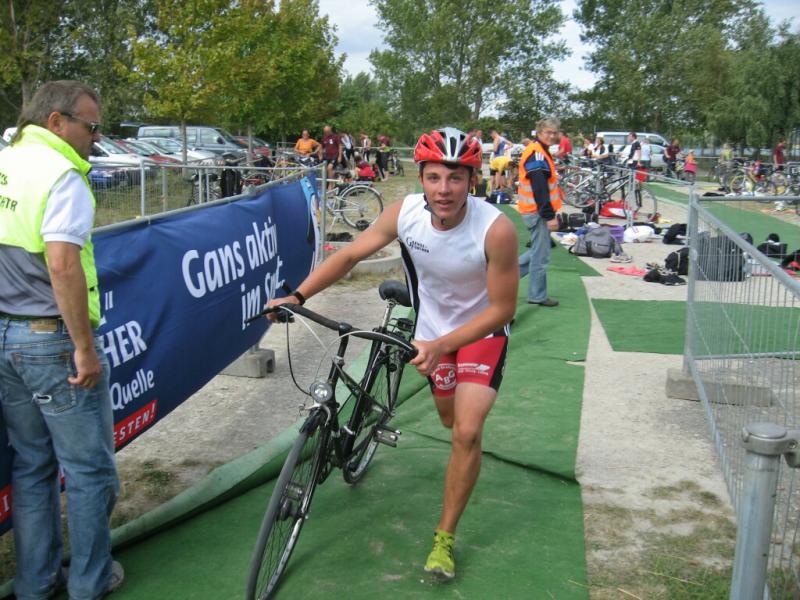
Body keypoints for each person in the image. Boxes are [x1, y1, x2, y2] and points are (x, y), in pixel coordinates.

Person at [265, 127, 518, 581]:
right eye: (434, 177)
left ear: (472, 180)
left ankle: (444, 538)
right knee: (448, 419)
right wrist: (298, 296)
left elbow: (502, 308)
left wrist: (443, 346)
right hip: (430, 331)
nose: (444, 189)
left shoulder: (495, 229)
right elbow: (349, 257)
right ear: (421, 178)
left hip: (480, 332)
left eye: (456, 178)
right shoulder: (405, 214)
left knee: (466, 431)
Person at [0, 80, 123, 599]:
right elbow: (63, 265)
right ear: (56, 122)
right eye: (91, 126)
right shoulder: (61, 174)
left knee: (32, 466)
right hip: (49, 339)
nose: (96, 137)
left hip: (7, 335)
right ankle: (90, 583)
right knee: (90, 471)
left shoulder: (6, 162)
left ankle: (35, 584)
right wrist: (84, 348)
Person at [517, 116, 565, 307]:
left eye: (554, 133)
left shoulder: (539, 151)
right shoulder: (537, 154)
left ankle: (501, 276)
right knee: (541, 255)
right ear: (539, 132)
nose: (551, 136)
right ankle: (536, 295)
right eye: (548, 132)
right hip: (537, 212)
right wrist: (549, 216)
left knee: (538, 251)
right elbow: (540, 188)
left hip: (533, 210)